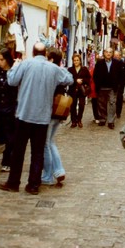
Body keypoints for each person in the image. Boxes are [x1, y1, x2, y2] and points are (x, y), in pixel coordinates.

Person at [0, 42, 73, 195]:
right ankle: (33, 185)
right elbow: (69, 79)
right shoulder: (53, 69)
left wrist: (15, 66)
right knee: (37, 152)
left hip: (24, 114)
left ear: (33, 52)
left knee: (18, 151)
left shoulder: (25, 64)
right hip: (42, 117)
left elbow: (11, 81)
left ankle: (13, 182)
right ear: (45, 53)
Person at [41, 47, 69, 186]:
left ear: (51, 59)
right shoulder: (61, 72)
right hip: (59, 111)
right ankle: (58, 170)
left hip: (50, 111)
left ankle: (47, 176)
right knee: (50, 141)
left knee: (45, 143)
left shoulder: (51, 72)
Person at [93, 47, 122, 129]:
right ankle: (102, 119)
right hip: (102, 87)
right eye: (107, 52)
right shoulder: (99, 63)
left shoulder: (117, 63)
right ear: (104, 53)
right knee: (101, 104)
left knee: (112, 103)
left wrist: (118, 84)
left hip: (112, 87)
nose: (108, 54)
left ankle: (111, 121)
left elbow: (121, 75)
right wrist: (97, 84)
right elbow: (95, 75)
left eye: (110, 52)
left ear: (112, 54)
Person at [68, 53, 91, 128]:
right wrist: (75, 80)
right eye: (74, 60)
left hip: (82, 90)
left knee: (81, 105)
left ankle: (79, 120)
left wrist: (82, 80)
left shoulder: (84, 69)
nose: (76, 62)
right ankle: (73, 121)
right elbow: (68, 79)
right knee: (73, 106)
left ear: (80, 61)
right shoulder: (70, 70)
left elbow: (88, 79)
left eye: (77, 60)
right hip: (73, 90)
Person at [114, 49, 125, 119]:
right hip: (113, 85)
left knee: (119, 98)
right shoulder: (112, 63)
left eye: (117, 56)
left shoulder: (124, 65)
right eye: (115, 56)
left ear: (120, 56)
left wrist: (122, 84)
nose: (116, 57)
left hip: (120, 85)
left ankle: (118, 112)